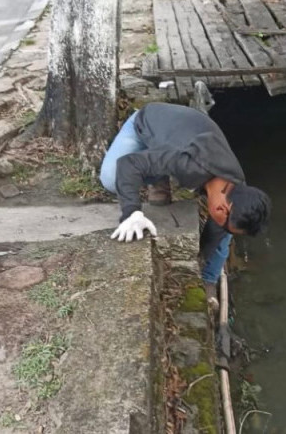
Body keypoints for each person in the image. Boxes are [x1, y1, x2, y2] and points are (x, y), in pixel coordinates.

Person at [99, 100, 271, 307]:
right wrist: (131, 213)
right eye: (225, 222)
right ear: (221, 208)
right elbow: (128, 164)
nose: (224, 227)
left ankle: (209, 281)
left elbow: (217, 232)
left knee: (223, 235)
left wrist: (198, 264)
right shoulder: (190, 164)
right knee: (112, 178)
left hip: (183, 134)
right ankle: (156, 176)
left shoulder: (237, 186)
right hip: (148, 123)